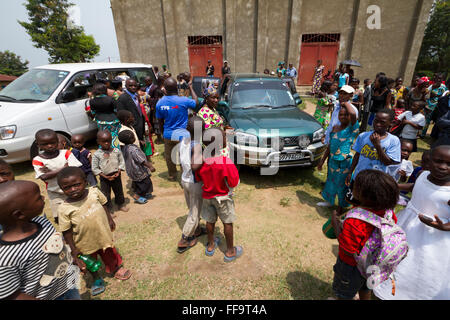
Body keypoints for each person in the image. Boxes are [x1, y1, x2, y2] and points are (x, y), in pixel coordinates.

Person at [374, 145, 450, 300]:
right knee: (396, 258)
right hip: (407, 225)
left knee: (420, 268)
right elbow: (416, 187)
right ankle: (388, 288)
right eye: (438, 161)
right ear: (429, 161)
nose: (443, 167)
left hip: (433, 239)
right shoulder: (423, 175)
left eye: (449, 164)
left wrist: (445, 226)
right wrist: (396, 186)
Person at [0, 180, 81, 300]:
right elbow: (11, 295)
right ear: (19, 215)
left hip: (69, 286)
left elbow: (57, 248)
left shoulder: (42, 222)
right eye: (38, 198)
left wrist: (72, 259)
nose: (43, 197)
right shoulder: (5, 257)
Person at [57, 167, 131, 297]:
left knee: (109, 253)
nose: (73, 189)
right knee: (90, 262)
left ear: (85, 182)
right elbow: (66, 230)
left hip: (102, 234)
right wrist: (73, 249)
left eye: (76, 184)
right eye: (67, 187)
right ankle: (96, 278)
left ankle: (115, 269)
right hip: (84, 241)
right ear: (61, 189)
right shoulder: (64, 208)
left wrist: (109, 219)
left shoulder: (94, 192)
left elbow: (104, 204)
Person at [330, 169, 400, 300]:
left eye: (355, 186)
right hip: (374, 263)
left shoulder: (355, 220)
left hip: (351, 266)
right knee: (366, 287)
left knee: (344, 293)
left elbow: (348, 249)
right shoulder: (388, 213)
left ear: (364, 195)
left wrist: (335, 224)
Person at [195, 128, 242, 262]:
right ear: (221, 144)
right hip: (223, 198)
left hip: (207, 196)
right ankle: (230, 251)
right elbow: (233, 182)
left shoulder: (203, 161)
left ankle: (210, 245)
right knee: (227, 222)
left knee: (210, 220)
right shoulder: (226, 162)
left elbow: (199, 177)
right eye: (224, 138)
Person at [345, 109, 401, 204]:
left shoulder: (393, 141)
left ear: (391, 123)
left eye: (382, 122)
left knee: (370, 205)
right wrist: (351, 172)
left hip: (376, 182)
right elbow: (357, 155)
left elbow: (388, 162)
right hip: (359, 177)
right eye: (376, 121)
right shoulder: (363, 136)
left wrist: (377, 145)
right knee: (354, 201)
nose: (378, 124)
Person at [317, 96, 359, 215]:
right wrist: (322, 160)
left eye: (346, 115)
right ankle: (329, 201)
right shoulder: (335, 128)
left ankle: (341, 207)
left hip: (344, 162)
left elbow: (353, 114)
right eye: (340, 115)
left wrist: (345, 103)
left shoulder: (352, 128)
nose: (343, 117)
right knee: (330, 181)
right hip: (333, 161)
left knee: (342, 185)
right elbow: (330, 145)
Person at [32, 129, 82, 226]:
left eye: (53, 143)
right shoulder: (37, 160)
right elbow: (43, 177)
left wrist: (51, 172)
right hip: (55, 193)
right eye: (45, 144)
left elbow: (75, 170)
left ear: (57, 141)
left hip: (72, 189)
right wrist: (64, 168)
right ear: (38, 145)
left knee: (78, 213)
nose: (50, 146)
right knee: (59, 218)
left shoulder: (66, 153)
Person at [156, 77, 198, 181]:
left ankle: (172, 174)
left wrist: (162, 133)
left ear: (165, 89)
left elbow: (160, 121)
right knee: (184, 157)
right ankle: (185, 175)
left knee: (169, 156)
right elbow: (196, 103)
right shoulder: (183, 100)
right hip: (183, 135)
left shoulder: (160, 103)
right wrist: (191, 88)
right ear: (177, 87)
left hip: (168, 134)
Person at [177, 116, 207, 253]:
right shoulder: (197, 146)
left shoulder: (183, 140)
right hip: (194, 182)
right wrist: (205, 157)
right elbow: (195, 166)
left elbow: (180, 158)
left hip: (185, 179)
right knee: (195, 212)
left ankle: (197, 230)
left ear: (187, 129)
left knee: (192, 207)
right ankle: (185, 239)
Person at [91, 131, 128, 212]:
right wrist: (106, 177)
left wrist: (118, 172)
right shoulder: (97, 154)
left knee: (119, 191)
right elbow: (94, 168)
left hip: (116, 175)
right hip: (104, 177)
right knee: (106, 194)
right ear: (98, 142)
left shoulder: (116, 151)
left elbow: (121, 162)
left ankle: (120, 204)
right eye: (104, 141)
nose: (107, 143)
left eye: (108, 141)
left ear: (111, 140)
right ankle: (109, 208)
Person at [118, 130, 156, 204]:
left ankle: (144, 193)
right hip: (138, 170)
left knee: (138, 182)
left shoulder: (125, 148)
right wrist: (150, 166)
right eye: (133, 136)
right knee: (145, 183)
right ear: (132, 139)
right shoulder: (134, 150)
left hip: (131, 170)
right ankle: (137, 195)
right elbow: (141, 160)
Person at [89, 83, 121, 149]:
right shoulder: (111, 99)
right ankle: (116, 150)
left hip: (100, 121)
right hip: (113, 121)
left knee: (103, 137)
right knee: (114, 137)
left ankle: (105, 151)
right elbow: (116, 110)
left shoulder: (92, 101)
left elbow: (93, 112)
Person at [117, 79, 146, 144]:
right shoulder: (123, 98)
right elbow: (121, 114)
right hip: (132, 127)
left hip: (140, 125)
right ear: (126, 86)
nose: (133, 87)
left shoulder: (136, 95)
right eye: (130, 85)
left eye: (135, 85)